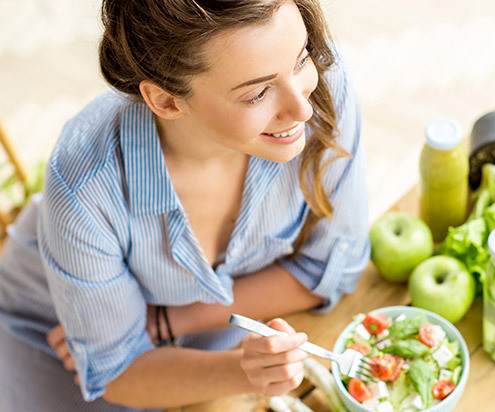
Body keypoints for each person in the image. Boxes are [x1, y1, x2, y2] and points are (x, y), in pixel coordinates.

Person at [0, 0, 369, 410]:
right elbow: (118, 371)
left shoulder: (321, 90)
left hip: (195, 332)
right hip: (49, 337)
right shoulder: (84, 183)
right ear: (166, 101)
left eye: (300, 59)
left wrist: (167, 321)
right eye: (258, 93)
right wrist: (244, 370)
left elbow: (334, 267)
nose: (302, 107)